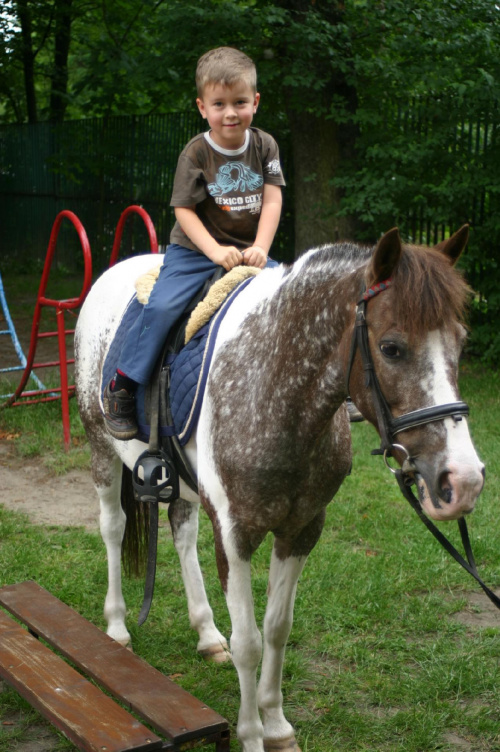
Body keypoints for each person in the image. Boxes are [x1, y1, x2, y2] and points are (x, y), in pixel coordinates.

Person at [103, 46, 286, 440]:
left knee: (289, 295)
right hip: (195, 249)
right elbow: (184, 211)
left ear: (255, 101)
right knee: (165, 305)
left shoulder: (264, 145)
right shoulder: (196, 153)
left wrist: (262, 247)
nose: (231, 113)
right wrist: (216, 252)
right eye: (219, 104)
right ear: (203, 107)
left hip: (247, 248)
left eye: (239, 102)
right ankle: (124, 383)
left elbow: (272, 197)